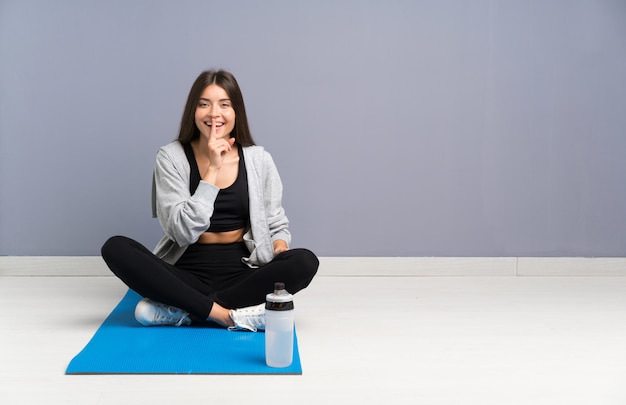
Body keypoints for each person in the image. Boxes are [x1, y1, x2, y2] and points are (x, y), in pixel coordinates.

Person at [101, 70, 318, 331]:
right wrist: (212, 171)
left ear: (236, 112)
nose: (214, 113)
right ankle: (228, 316)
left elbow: (276, 223)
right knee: (115, 248)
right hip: (185, 273)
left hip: (243, 273)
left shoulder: (259, 159)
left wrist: (280, 247)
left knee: (305, 261)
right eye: (204, 104)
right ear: (193, 111)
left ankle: (187, 310)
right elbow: (182, 232)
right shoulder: (170, 157)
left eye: (224, 105)